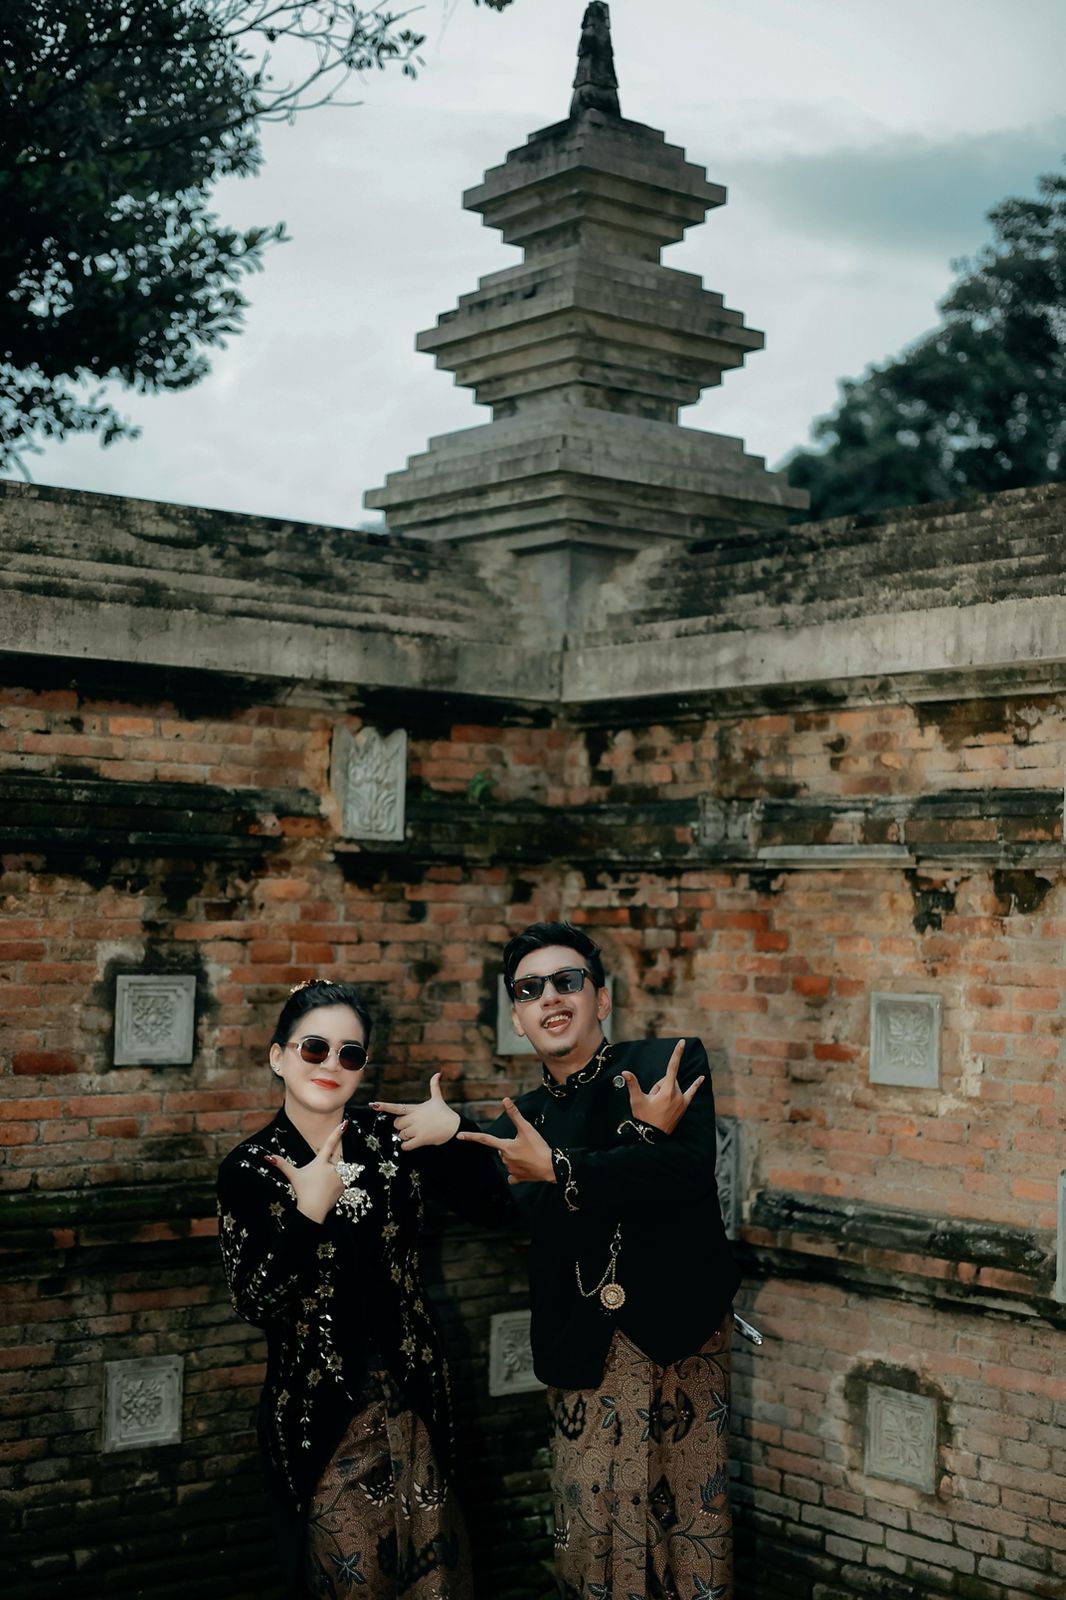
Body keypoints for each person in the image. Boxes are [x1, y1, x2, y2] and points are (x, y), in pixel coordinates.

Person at [374, 922, 740, 1600]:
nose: (550, 996)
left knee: (691, 1542)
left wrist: (562, 1167)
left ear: (602, 998)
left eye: (567, 981)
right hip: (583, 1357)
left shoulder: (665, 1064)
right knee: (591, 1542)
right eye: (529, 989)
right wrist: (451, 1138)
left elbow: (685, 1172)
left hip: (681, 1345)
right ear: (517, 1017)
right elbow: (498, 1207)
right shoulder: (525, 1120)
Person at [216, 979, 474, 1600]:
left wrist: (456, 1133)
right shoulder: (251, 1168)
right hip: (322, 1416)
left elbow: (496, 1206)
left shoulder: (393, 1141)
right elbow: (253, 1301)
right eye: (314, 1048)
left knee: (436, 1582)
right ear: (278, 1057)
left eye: (349, 1053)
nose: (330, 1064)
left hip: (417, 1398)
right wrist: (307, 1214)